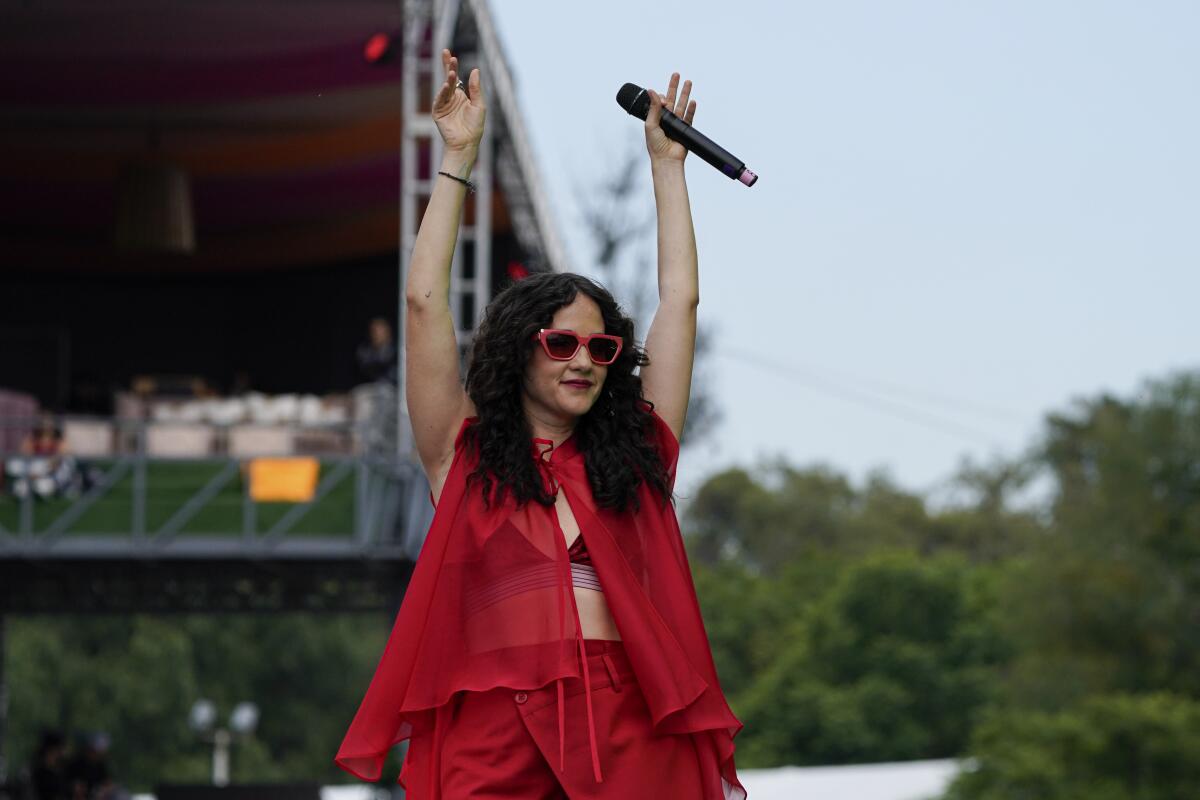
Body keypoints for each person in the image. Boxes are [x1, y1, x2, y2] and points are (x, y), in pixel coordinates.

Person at [335, 49, 745, 799]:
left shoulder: (638, 456)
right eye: (560, 343)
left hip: (630, 722)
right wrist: (458, 158)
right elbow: (425, 303)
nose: (582, 360)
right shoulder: (465, 457)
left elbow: (679, 302)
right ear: (518, 353)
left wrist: (668, 171)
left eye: (601, 346)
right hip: (495, 729)